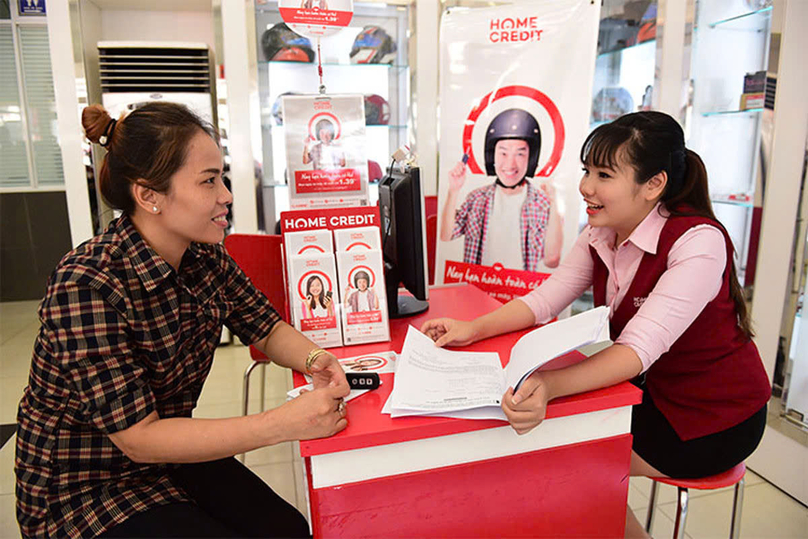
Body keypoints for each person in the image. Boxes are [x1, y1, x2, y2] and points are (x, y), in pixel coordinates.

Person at [422, 111, 771, 539]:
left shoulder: (697, 242)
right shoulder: (601, 232)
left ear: (654, 185)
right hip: (649, 394)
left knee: (568, 463)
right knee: (550, 452)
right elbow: (546, 298)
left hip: (712, 417)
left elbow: (635, 350)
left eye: (604, 174)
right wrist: (472, 329)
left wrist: (549, 384)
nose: (587, 186)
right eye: (587, 170)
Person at [15, 102, 351, 539]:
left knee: (287, 528)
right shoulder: (87, 283)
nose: (226, 195)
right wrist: (281, 424)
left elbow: (265, 327)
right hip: (86, 488)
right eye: (209, 181)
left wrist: (315, 358)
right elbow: (137, 438)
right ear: (149, 196)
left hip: (170, 457)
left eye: (222, 177)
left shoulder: (204, 256)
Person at [440, 108, 563, 272]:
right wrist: (453, 191)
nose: (510, 164)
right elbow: (446, 235)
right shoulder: (477, 199)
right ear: (492, 157)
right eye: (503, 153)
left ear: (531, 158)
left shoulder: (541, 203)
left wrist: (554, 204)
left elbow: (552, 260)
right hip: (476, 290)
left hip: (521, 293)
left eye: (520, 154)